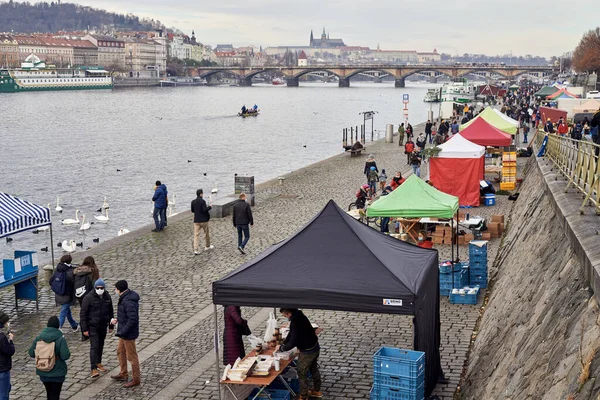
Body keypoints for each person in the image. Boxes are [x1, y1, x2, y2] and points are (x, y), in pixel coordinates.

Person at [278, 308, 322, 400]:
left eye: (284, 315)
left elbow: (293, 341)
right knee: (314, 369)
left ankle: (303, 396)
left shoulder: (295, 322)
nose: (285, 317)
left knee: (301, 372)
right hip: (314, 347)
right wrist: (284, 343)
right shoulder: (300, 317)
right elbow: (291, 333)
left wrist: (282, 348)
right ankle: (317, 390)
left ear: (289, 313)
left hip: (307, 351)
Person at [29, 316, 70, 400]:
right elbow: (65, 356)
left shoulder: (39, 338)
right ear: (58, 326)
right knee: (55, 395)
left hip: (43, 371)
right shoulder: (60, 339)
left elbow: (31, 353)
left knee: (49, 394)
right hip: (57, 373)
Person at [80, 278, 114, 379]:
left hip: (103, 325)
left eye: (102, 288)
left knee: (101, 345)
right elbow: (83, 314)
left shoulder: (107, 296)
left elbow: (110, 311)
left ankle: (99, 363)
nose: (100, 289)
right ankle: (93, 368)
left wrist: (111, 325)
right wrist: (84, 329)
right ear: (95, 288)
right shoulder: (88, 298)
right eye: (98, 288)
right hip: (92, 326)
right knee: (94, 346)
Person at [111, 280, 141, 388]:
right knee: (120, 351)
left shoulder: (128, 301)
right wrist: (118, 320)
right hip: (123, 332)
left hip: (128, 333)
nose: (115, 291)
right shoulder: (125, 298)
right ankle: (123, 373)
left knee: (131, 357)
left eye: (115, 289)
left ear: (119, 290)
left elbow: (132, 319)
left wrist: (123, 331)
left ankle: (136, 379)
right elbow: (126, 314)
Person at [50, 255, 78, 332]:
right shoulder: (69, 271)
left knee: (67, 310)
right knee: (63, 312)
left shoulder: (57, 269)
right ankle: (58, 328)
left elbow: (50, 281)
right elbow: (73, 283)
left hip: (58, 294)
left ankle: (74, 325)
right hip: (66, 295)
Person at [191, 189, 214, 255]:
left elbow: (192, 210)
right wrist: (210, 207)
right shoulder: (202, 201)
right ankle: (207, 246)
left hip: (196, 220)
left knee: (196, 235)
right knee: (206, 233)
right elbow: (204, 210)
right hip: (203, 220)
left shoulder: (193, 202)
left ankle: (195, 249)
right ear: (201, 194)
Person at [0, 312, 14, 400]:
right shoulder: (1, 338)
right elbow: (10, 351)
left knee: (7, 388)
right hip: (2, 369)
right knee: (3, 394)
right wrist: (11, 341)